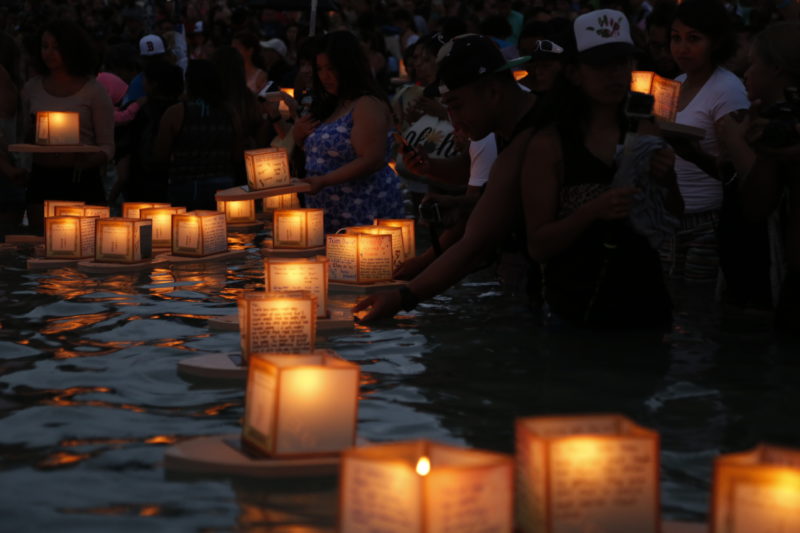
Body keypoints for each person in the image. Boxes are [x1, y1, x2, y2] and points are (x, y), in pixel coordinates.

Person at [354, 34, 541, 321]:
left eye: (456, 105)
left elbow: (477, 243)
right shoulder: (512, 136)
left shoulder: (537, 138)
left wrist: (403, 296)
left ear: (492, 92)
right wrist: (459, 201)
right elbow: (488, 202)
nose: (453, 120)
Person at [522, 9, 682, 329]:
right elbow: (538, 245)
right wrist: (592, 211)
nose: (615, 74)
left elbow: (673, 216)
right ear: (574, 73)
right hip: (576, 308)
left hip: (645, 305)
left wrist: (666, 178)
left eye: (622, 62)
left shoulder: (646, 129)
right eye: (601, 64)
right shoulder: (549, 145)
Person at [716, 21, 800, 331]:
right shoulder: (770, 127)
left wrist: (738, 146)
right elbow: (754, 204)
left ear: (776, 69)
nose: (746, 74)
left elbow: (756, 206)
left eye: (753, 64)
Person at [661, 0, 749, 285]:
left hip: (707, 223)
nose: (682, 48)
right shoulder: (675, 83)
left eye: (693, 39)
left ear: (716, 42)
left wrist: (694, 153)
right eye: (676, 38)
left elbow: (737, 168)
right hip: (668, 219)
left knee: (697, 311)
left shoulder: (727, 89)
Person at [293, 31, 405, 234]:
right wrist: (299, 137)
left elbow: (372, 158)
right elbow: (328, 153)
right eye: (320, 69)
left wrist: (325, 180)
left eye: (331, 68)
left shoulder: (366, 104)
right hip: (330, 210)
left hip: (362, 207)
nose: (324, 76)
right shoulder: (335, 104)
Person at [21, 20, 114, 233]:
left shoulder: (93, 91)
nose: (49, 53)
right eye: (45, 46)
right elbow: (24, 135)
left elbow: (108, 146)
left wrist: (90, 159)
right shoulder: (32, 89)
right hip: (42, 177)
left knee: (86, 246)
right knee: (43, 245)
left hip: (81, 179)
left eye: (57, 47)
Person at [153, 59, 242, 210]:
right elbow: (237, 154)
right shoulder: (230, 113)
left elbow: (160, 155)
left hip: (186, 186)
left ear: (189, 82)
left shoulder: (176, 113)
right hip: (222, 185)